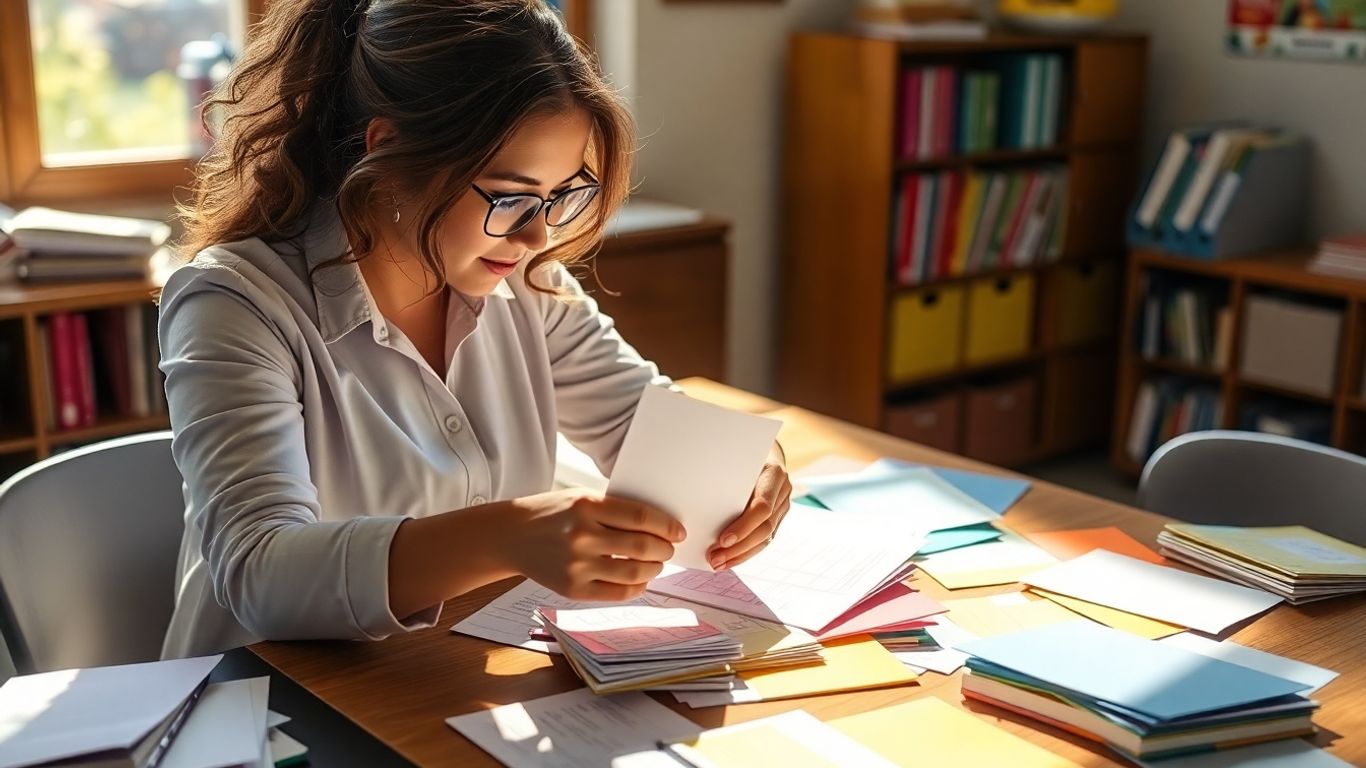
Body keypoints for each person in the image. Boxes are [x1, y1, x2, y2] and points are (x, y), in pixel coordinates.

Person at [159, 0, 791, 659]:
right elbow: (260, 574)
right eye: (510, 196)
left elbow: (648, 422)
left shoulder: (525, 283)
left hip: (439, 676)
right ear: (390, 150)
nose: (537, 235)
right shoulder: (233, 301)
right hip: (271, 707)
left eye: (557, 196)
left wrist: (748, 470)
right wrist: (507, 535)